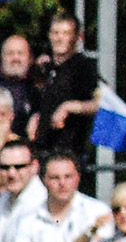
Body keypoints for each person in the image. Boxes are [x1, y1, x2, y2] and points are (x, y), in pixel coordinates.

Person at [30, 14, 98, 159]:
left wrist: (68, 107)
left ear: (77, 37)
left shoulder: (83, 67)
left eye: (66, 33)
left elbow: (101, 103)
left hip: (68, 153)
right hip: (40, 151)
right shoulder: (46, 68)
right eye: (55, 33)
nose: (60, 38)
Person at [0, 139, 47, 242]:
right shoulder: (4, 198)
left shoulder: (42, 202)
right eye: (5, 167)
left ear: (34, 166)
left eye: (19, 166)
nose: (11, 174)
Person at [0, 35, 40, 136]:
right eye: (10, 53)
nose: (15, 58)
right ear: (2, 57)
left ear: (30, 58)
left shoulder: (35, 92)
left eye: (20, 53)